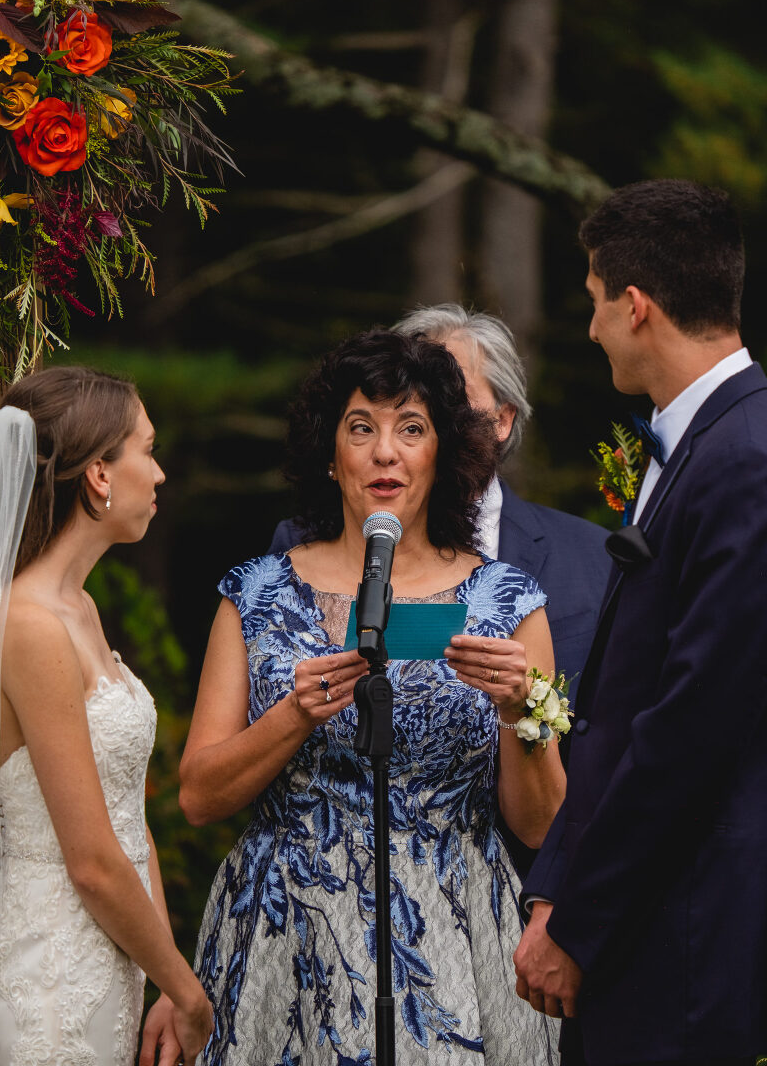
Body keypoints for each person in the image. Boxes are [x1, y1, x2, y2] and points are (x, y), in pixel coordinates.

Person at [181, 329, 565, 1065]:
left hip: (452, 935)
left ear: (443, 453)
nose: (386, 452)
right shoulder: (255, 595)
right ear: (330, 454)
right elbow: (198, 797)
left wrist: (521, 715)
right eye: (361, 428)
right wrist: (293, 716)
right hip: (288, 933)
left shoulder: (508, 602)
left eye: (411, 429)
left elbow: (542, 825)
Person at [513, 179, 767, 1066]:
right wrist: (554, 888)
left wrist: (581, 922)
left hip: (683, 929)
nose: (590, 330)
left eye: (594, 303)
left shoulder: (746, 459)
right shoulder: (693, 439)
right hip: (640, 916)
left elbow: (691, 725)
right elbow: (613, 708)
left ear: (636, 305)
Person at [0, 368, 213, 1066]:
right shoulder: (29, 626)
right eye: (147, 450)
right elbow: (91, 861)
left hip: (112, 961)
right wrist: (190, 994)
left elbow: (127, 818)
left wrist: (161, 971)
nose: (159, 473)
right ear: (98, 474)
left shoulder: (81, 609)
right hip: (51, 973)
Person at [271, 304, 610, 696]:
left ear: (502, 420)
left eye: (452, 399)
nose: (442, 416)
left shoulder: (592, 557)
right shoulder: (293, 551)